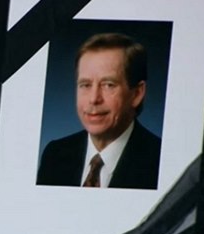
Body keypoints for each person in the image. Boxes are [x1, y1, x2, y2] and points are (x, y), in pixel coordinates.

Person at [37, 33, 161, 189]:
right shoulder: (55, 154)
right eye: (85, 85)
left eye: (108, 85)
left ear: (137, 94)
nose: (94, 99)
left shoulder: (160, 161)